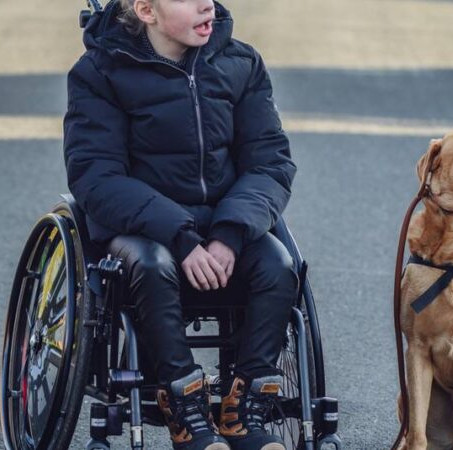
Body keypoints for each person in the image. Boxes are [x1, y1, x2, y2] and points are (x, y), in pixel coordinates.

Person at [63, 1, 298, 449]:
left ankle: (242, 409)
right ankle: (183, 403)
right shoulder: (99, 72)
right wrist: (182, 236)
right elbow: (97, 177)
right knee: (151, 265)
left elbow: (270, 162)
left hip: (225, 222)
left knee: (278, 264)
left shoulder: (240, 63)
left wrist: (230, 235)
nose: (206, 4)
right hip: (141, 227)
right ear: (147, 10)